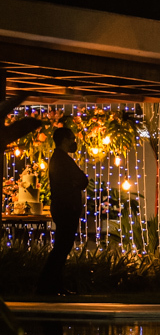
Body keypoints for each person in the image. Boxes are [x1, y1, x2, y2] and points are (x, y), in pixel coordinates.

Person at [35, 125, 90, 295]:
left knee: (62, 247)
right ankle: (47, 284)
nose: (74, 142)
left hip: (64, 207)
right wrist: (76, 184)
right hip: (66, 208)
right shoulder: (62, 159)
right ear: (65, 140)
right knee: (62, 247)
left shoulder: (59, 158)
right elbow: (82, 180)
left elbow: (80, 181)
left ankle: (53, 285)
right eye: (72, 138)